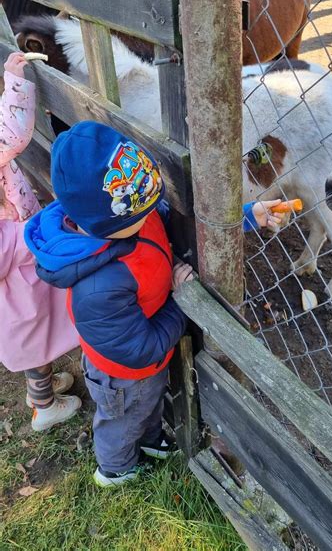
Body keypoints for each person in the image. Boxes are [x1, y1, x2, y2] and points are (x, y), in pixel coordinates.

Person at [25, 121, 194, 487]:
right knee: (120, 421)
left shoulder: (131, 219)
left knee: (145, 407)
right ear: (100, 222)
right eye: (140, 213)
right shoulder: (99, 287)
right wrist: (182, 305)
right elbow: (137, 349)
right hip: (122, 371)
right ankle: (115, 468)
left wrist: (245, 216)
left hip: (147, 354)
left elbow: (166, 220)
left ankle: (150, 441)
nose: (151, 215)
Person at [0, 51, 81, 432]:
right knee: (33, 334)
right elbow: (11, 134)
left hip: (15, 267)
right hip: (16, 270)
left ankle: (40, 391)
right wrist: (31, 234)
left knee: (34, 333)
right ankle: (44, 406)